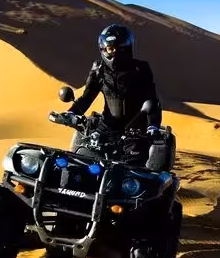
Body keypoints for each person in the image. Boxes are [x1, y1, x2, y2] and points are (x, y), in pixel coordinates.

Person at [67, 24, 162, 163]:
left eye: (120, 48)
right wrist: (70, 113)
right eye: (110, 49)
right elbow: (86, 98)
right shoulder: (99, 69)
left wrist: (153, 126)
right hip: (105, 129)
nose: (115, 53)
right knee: (82, 162)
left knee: (132, 173)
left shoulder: (140, 69)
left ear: (127, 48)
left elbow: (152, 101)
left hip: (135, 133)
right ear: (103, 49)